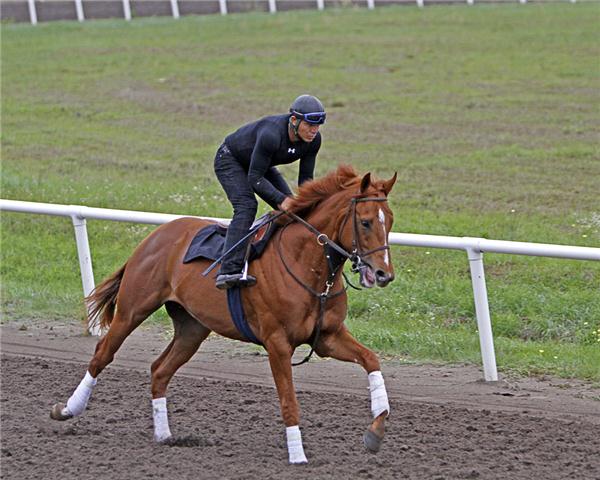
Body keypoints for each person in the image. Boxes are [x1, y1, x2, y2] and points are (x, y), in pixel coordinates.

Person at [213, 94, 326, 290]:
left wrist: (310, 205)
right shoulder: (271, 134)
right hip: (230, 160)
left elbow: (305, 180)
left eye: (318, 126)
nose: (314, 131)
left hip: (260, 166)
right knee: (247, 206)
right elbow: (254, 179)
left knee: (294, 211)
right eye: (309, 125)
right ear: (294, 120)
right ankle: (228, 269)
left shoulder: (313, 141)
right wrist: (281, 199)